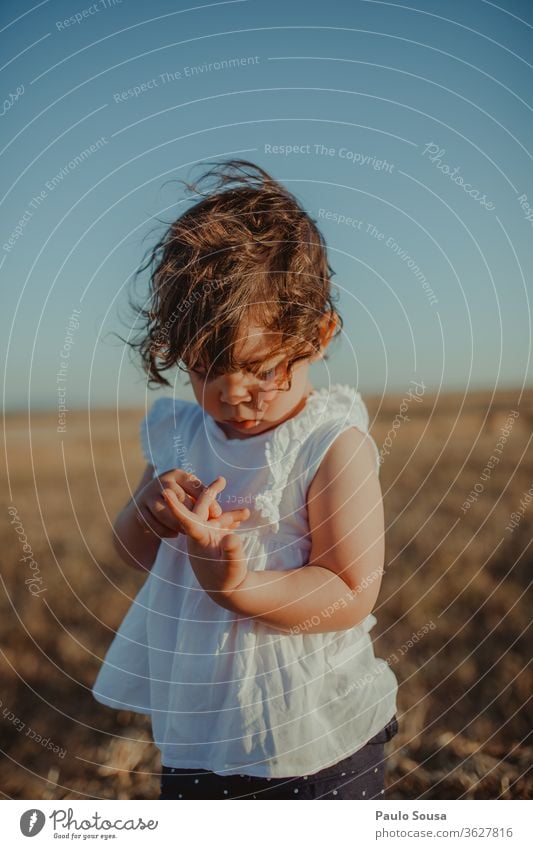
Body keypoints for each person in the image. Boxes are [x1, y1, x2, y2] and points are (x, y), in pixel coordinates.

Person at [92, 159, 398, 800]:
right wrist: (148, 512)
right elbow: (126, 553)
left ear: (317, 336)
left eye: (259, 369)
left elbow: (348, 591)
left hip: (309, 737)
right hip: (198, 724)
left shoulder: (328, 445)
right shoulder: (181, 435)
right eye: (206, 370)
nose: (233, 395)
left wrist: (241, 589)